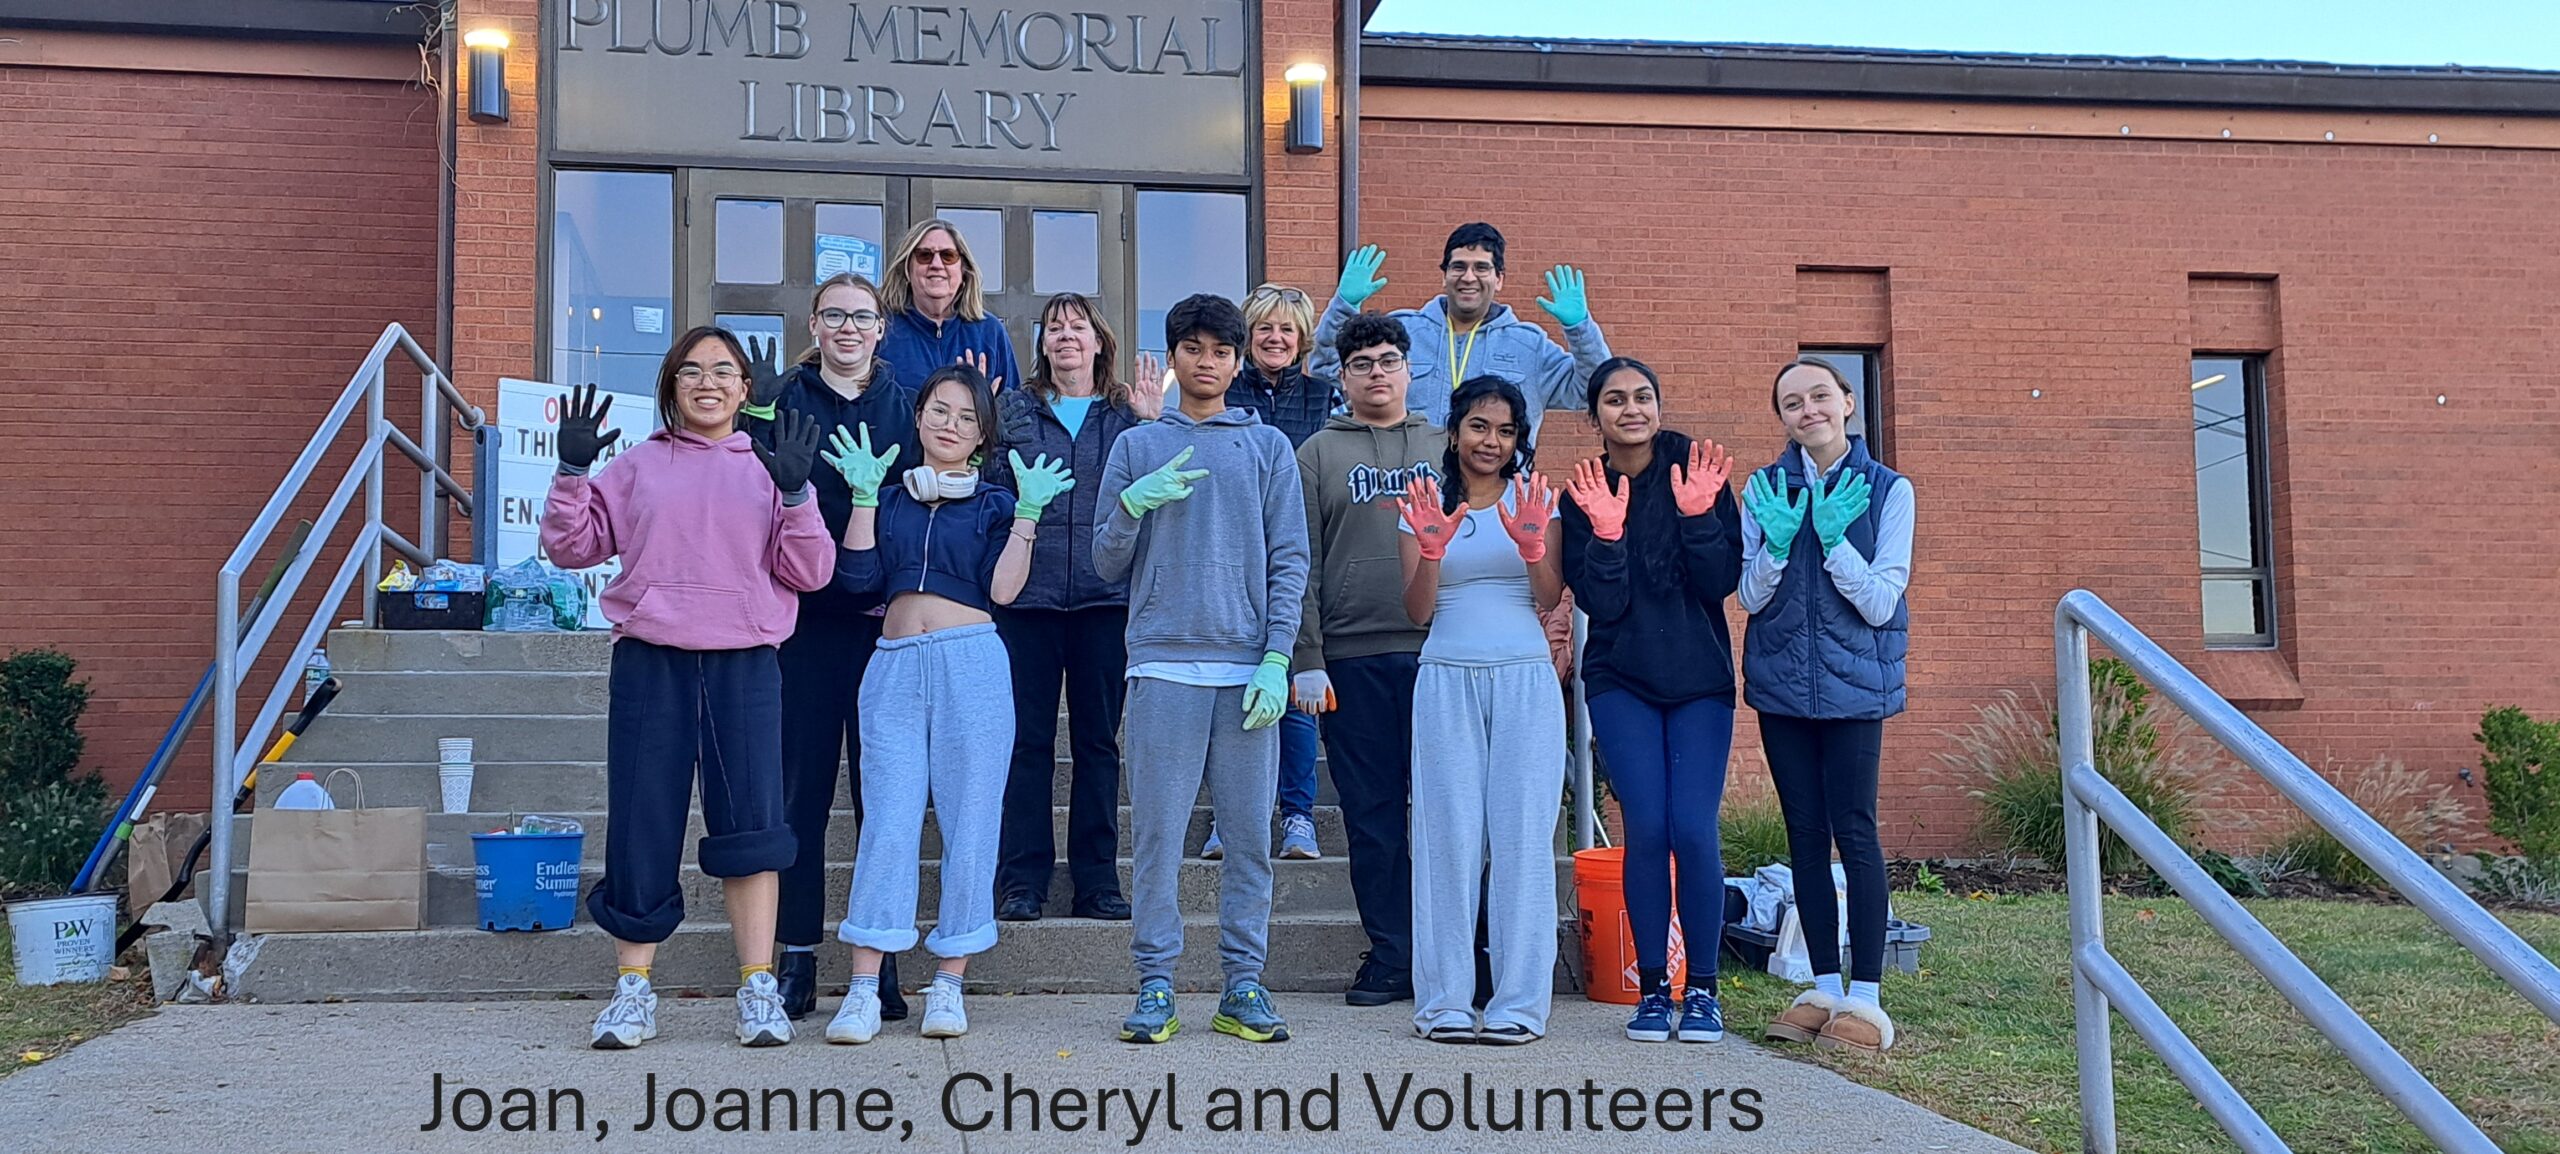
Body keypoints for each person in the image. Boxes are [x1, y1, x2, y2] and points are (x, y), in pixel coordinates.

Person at [541, 329, 833, 1050]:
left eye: (724, 371)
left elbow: (812, 571)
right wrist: (572, 472)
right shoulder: (637, 466)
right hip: (653, 662)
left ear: (744, 389)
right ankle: (633, 991)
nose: (708, 383)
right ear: (671, 386)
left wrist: (797, 493)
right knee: (642, 825)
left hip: (745, 664)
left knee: (755, 830)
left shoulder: (769, 466)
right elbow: (571, 547)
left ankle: (758, 987)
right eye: (692, 371)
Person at [820, 364, 1074, 1043]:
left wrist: (1026, 517)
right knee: (888, 823)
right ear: (919, 416)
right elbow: (859, 579)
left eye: (966, 417)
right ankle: (864, 988)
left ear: (982, 434)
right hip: (895, 666)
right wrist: (864, 499)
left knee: (972, 822)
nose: (950, 425)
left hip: (973, 665)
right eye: (939, 410)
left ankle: (949, 982)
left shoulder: (994, 504)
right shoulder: (892, 496)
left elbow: (1005, 590)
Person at [1092, 293, 1309, 1045]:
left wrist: (1278, 656)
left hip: (1247, 670)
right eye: (1193, 348)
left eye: (1221, 350)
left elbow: (1290, 559)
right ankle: (1155, 983)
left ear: (1239, 360)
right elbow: (1105, 561)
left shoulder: (1268, 448)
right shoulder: (1137, 446)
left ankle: (1243, 984)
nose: (1207, 361)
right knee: (1157, 839)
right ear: (1173, 355)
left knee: (1249, 840)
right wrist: (1131, 505)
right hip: (1163, 667)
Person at [734, 273, 918, 1023]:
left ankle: (883, 956)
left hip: (884, 628)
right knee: (800, 796)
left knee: (887, 800)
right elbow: (740, 491)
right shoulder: (780, 399)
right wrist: (753, 417)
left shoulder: (907, 405)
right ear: (813, 325)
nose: (848, 328)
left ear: (881, 329)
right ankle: (798, 956)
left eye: (861, 317)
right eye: (834, 315)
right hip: (804, 627)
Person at [1557, 357, 1744, 1045]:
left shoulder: (1697, 470)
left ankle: (1703, 990)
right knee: (1647, 828)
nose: (1630, 409)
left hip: (1699, 678)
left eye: (1642, 396)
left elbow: (1720, 581)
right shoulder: (1584, 490)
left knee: (1692, 829)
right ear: (1595, 416)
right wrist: (1607, 536)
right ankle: (1655, 991)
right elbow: (1600, 603)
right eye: (1615, 400)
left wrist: (1698, 518)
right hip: (1621, 678)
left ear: (1658, 406)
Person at [1739, 358, 1914, 1056]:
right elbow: (1749, 596)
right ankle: (1821, 988)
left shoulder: (1889, 490)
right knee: (1804, 836)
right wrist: (1779, 545)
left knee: (1856, 831)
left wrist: (1835, 540)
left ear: (1847, 403)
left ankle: (1865, 998)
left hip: (1854, 688)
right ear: (1781, 418)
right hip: (1782, 686)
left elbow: (1881, 601)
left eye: (1820, 396)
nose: (1807, 410)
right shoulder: (1763, 489)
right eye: (1792, 402)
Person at [1394, 375, 1566, 1045]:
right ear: (1455, 430)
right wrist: (1431, 551)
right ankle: (1444, 1002)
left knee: (1523, 841)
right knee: (1448, 840)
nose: (1491, 441)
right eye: (1479, 426)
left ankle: (1520, 1004)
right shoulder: (1425, 502)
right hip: (1445, 676)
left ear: (1519, 439)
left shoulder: (1534, 499)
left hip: (1524, 677)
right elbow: (1417, 611)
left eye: (1505, 431)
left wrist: (1533, 548)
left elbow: (1549, 597)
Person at [984, 293, 1153, 924]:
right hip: (1026, 602)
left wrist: (1153, 425)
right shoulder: (1014, 410)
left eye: (1077, 327)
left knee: (1097, 746)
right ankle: (1021, 881)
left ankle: (1097, 881)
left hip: (1105, 602)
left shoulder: (1126, 416)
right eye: (1054, 328)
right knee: (1026, 745)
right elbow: (992, 493)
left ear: (1099, 341)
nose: (1065, 337)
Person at [1288, 311, 1438, 1007]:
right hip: (1351, 659)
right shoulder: (1317, 453)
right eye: (1362, 364)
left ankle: (1453, 954)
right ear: (1342, 378)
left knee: (1446, 816)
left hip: (1440, 658)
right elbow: (1301, 561)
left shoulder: (1444, 445)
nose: (1377, 374)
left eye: (1388, 361)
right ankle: (1391, 955)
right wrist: (1307, 654)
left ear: (1409, 370)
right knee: (1373, 818)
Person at [1202, 283, 1338, 865]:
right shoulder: (1224, 394)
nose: (1275, 338)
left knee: (1295, 689)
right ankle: (1229, 817)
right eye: (1264, 328)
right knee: (1235, 694)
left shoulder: (1324, 398)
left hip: (1296, 558)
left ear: (1303, 338)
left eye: (1287, 329)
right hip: (1231, 557)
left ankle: (1298, 815)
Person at [1307, 222, 1611, 446]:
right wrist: (1344, 306)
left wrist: (1579, 328)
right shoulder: (1402, 332)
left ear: (1499, 279)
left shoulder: (1529, 345)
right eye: (1458, 267)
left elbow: (1591, 391)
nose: (1468, 277)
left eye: (1481, 268)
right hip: (1408, 491)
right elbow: (1327, 368)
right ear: (1444, 276)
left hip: (1497, 496)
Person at [878, 218, 1021, 391]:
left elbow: (1014, 402)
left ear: (963, 270)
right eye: (925, 255)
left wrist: (983, 403)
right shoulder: (882, 330)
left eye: (948, 256)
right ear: (907, 268)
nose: (936, 265)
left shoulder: (990, 331)